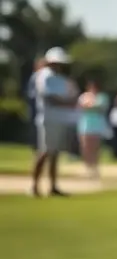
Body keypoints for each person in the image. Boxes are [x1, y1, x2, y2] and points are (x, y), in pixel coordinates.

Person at [31, 47, 78, 197]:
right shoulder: (44, 76)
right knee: (45, 151)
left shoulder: (60, 78)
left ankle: (53, 186)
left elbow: (70, 95)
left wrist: (69, 101)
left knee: (55, 153)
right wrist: (67, 103)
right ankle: (34, 186)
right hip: (48, 119)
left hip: (59, 119)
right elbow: (50, 97)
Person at [76, 79, 110, 178]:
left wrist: (89, 106)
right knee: (86, 147)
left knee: (96, 147)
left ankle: (95, 168)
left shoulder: (102, 97)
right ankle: (87, 167)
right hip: (85, 124)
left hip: (97, 125)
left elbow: (99, 108)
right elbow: (81, 106)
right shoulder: (84, 96)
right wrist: (91, 106)